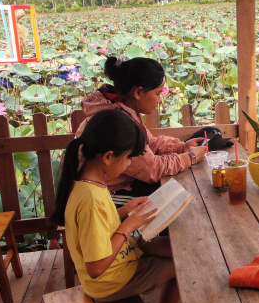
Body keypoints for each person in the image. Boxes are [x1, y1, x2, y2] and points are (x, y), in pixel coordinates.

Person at [50, 109, 187, 303]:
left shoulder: (88, 181)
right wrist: (127, 226)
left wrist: (124, 213)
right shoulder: (91, 199)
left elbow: (99, 226)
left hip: (122, 253)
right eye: (128, 159)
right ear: (108, 157)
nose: (130, 165)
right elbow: (95, 268)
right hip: (110, 280)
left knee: (180, 249)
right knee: (183, 267)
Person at [76, 56, 206, 207]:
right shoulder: (116, 123)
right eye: (157, 93)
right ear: (138, 93)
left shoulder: (122, 109)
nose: (159, 100)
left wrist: (180, 147)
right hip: (103, 197)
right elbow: (151, 169)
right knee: (176, 201)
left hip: (116, 186)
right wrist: (190, 157)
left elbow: (148, 144)